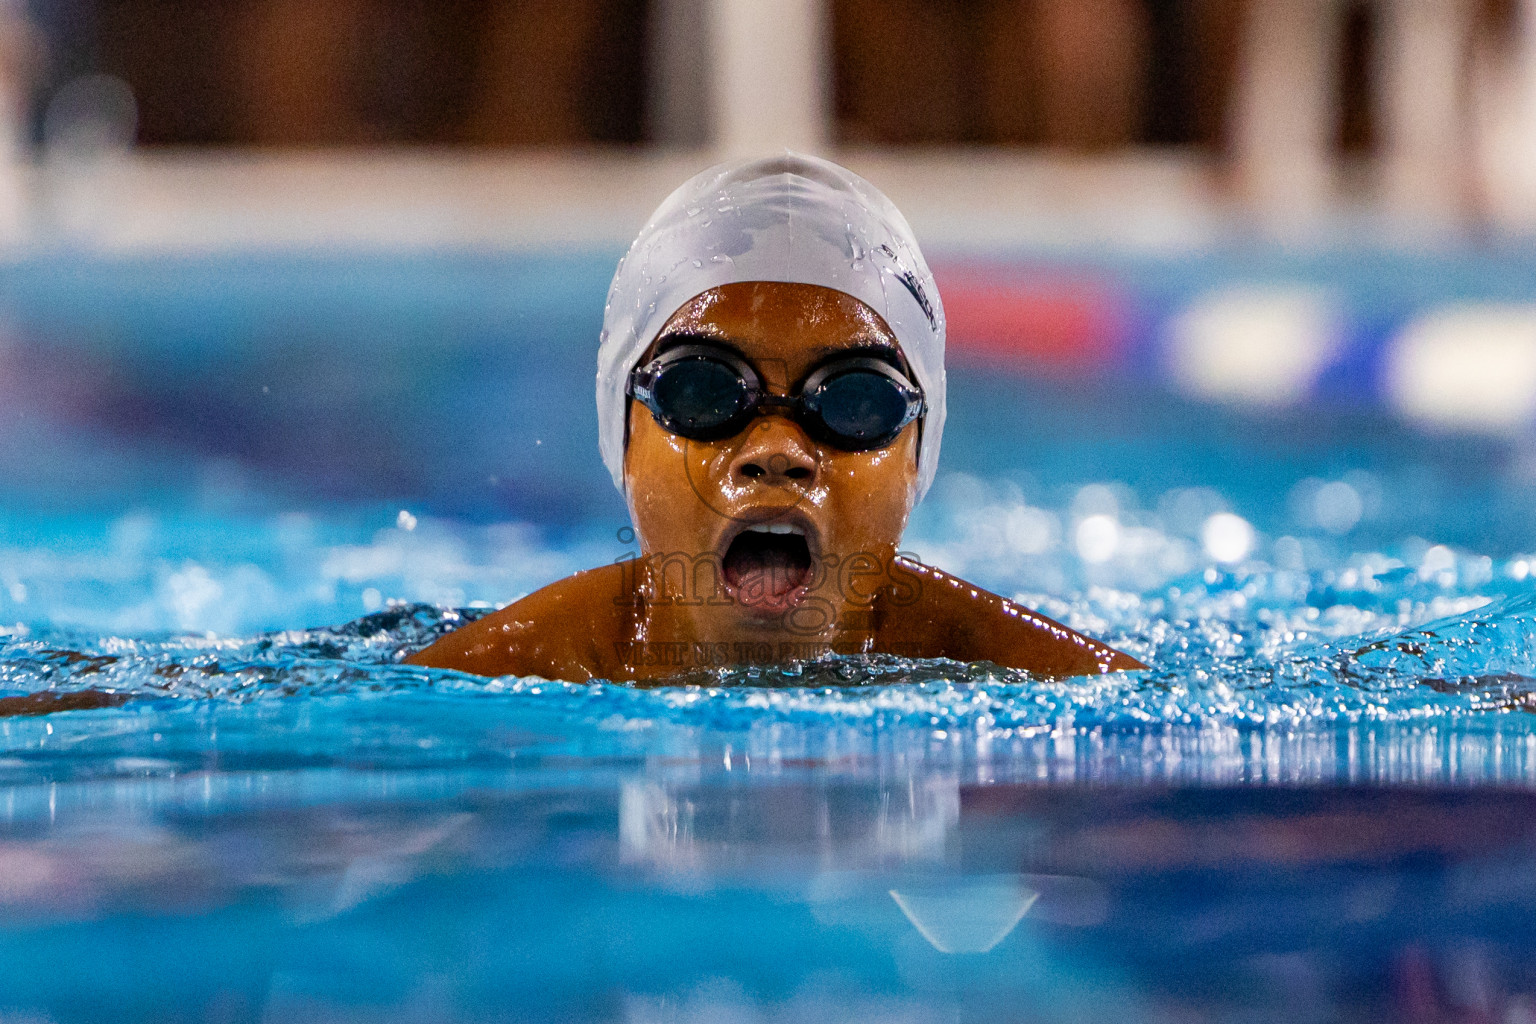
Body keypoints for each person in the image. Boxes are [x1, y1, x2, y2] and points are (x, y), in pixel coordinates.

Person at [407, 154, 1144, 683]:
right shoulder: (471, 679)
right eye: (701, 392)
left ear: (920, 454)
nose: (778, 452)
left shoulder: (1061, 681)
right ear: (622, 439)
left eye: (855, 402)